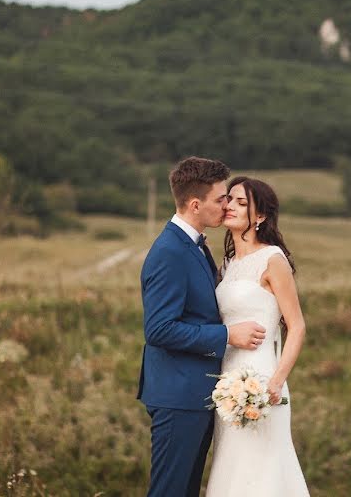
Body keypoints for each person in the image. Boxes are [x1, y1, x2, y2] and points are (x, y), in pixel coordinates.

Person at [137, 157, 268, 497]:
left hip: (195, 395)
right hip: (177, 396)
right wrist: (227, 336)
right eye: (221, 198)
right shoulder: (170, 252)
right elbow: (159, 329)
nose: (226, 205)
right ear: (196, 205)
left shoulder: (194, 246)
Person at [205, 176, 309, 496]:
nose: (230, 207)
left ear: (260, 216)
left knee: (263, 468)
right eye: (229, 200)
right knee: (232, 466)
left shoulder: (272, 260)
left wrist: (276, 381)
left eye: (241, 203)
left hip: (262, 379)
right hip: (228, 380)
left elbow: (297, 326)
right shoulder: (229, 263)